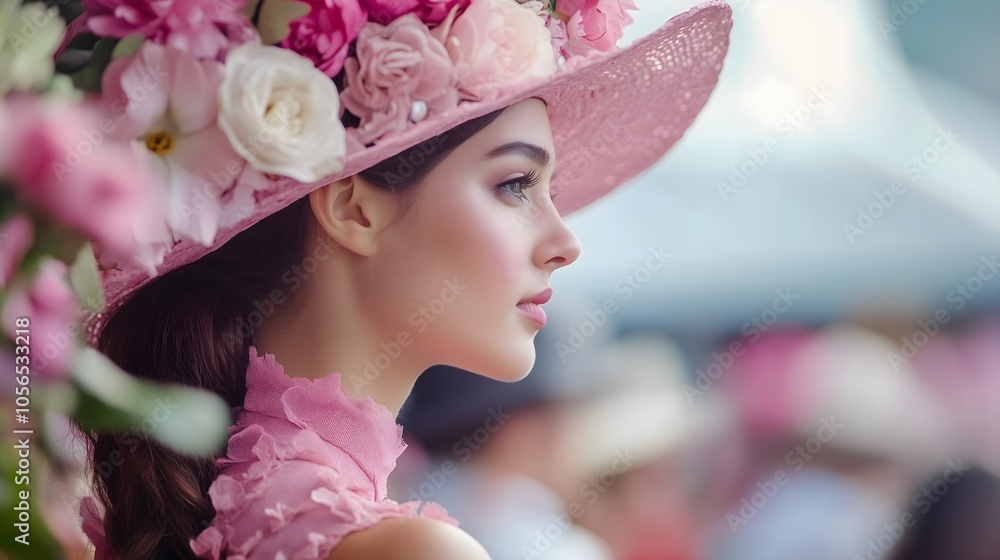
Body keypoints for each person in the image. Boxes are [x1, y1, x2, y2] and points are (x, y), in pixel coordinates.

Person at [68, 1, 734, 558]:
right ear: (353, 208)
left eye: (547, 189)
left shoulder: (224, 506)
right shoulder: (414, 550)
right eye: (514, 185)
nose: (566, 243)